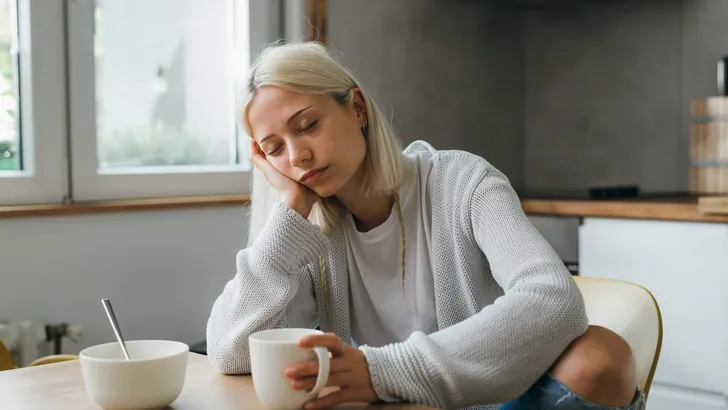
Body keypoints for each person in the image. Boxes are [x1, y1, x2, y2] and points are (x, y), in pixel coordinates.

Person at [206, 41, 644, 410]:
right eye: (274, 148)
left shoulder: (463, 182)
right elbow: (231, 351)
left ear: (356, 107)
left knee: (602, 356)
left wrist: (382, 370)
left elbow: (553, 299)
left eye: (308, 126)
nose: (297, 155)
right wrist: (288, 214)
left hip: (487, 402)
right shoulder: (305, 232)